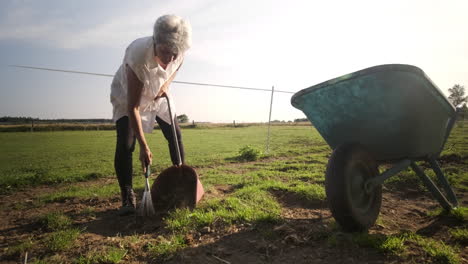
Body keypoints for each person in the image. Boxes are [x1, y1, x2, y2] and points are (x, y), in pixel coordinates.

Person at [110, 14, 192, 215]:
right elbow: (133, 108)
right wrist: (144, 147)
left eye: (175, 53)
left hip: (159, 94)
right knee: (126, 144)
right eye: (165, 52)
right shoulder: (138, 56)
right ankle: (127, 196)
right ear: (156, 42)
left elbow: (177, 65)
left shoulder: (177, 50)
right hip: (129, 98)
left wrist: (166, 84)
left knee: (175, 136)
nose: (170, 59)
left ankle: (179, 185)